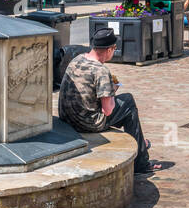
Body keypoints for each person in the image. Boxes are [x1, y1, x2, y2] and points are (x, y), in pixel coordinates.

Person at [59, 28, 161, 173]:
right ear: (109, 49)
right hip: (87, 123)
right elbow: (108, 110)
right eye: (114, 48)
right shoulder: (101, 71)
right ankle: (141, 164)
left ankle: (140, 144)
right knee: (128, 102)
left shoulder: (77, 59)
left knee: (125, 109)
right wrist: (111, 90)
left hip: (67, 119)